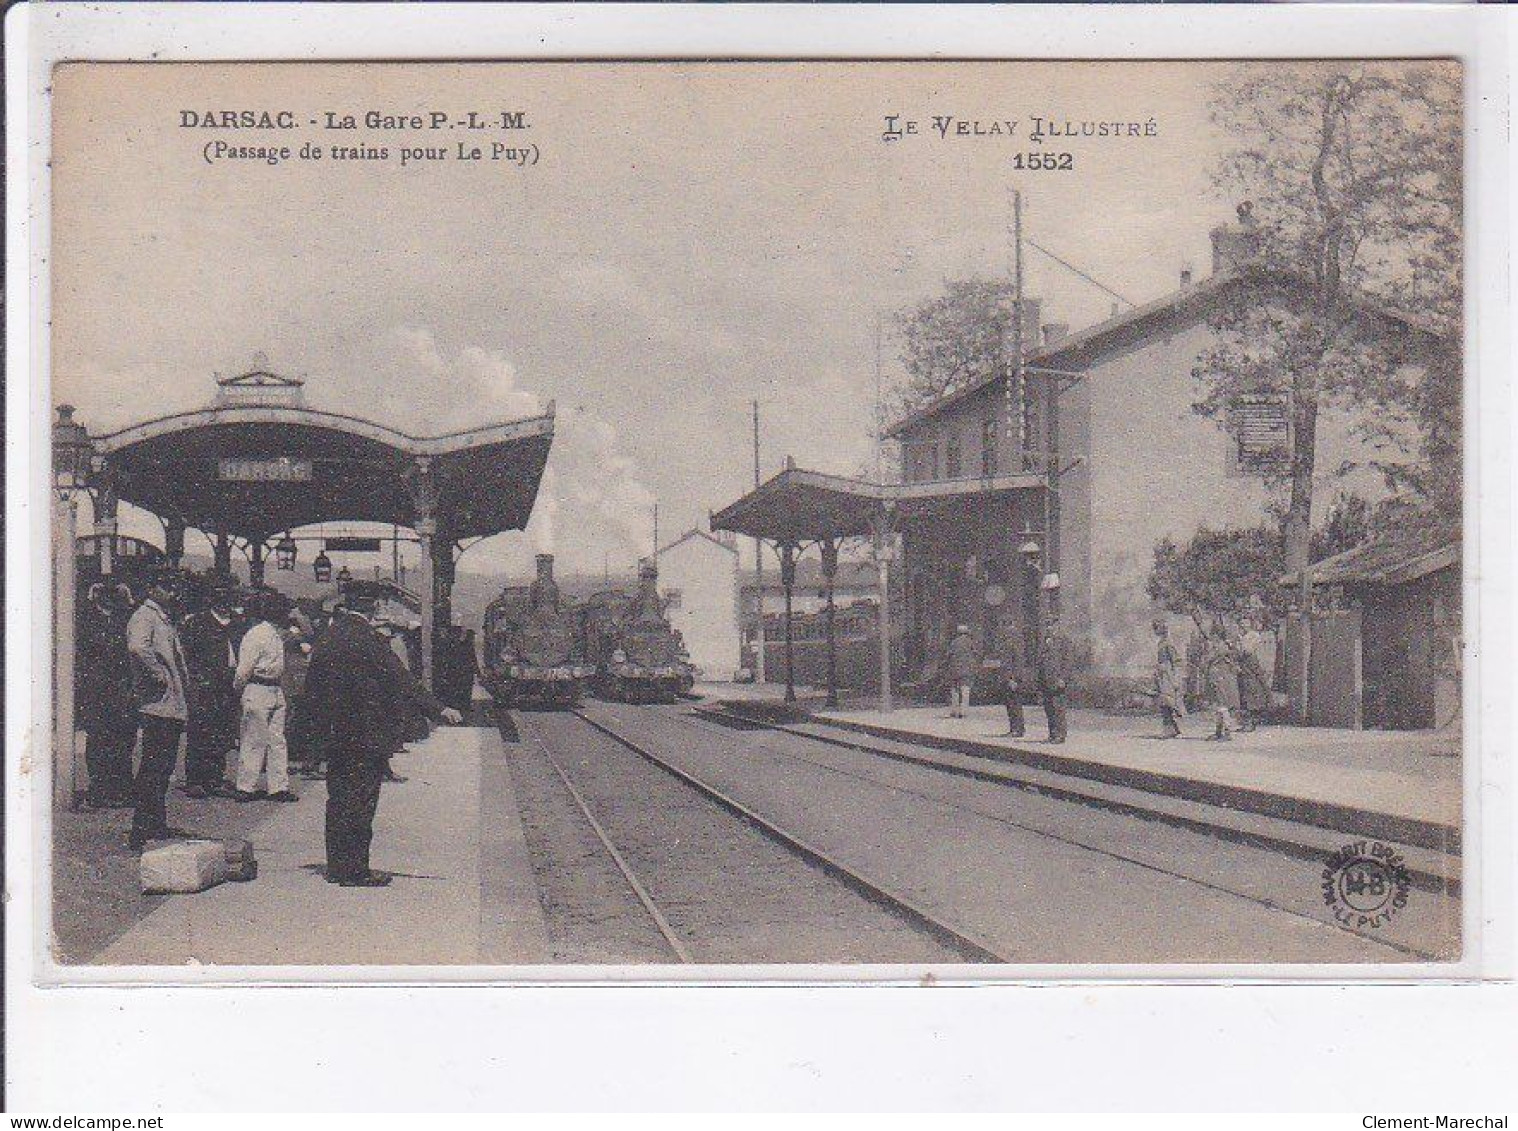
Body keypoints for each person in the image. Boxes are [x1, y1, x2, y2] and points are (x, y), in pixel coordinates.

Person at [303, 585, 462, 888]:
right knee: (362, 800)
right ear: (372, 609)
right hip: (366, 734)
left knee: (337, 798)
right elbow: (402, 681)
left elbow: (312, 689)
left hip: (337, 734)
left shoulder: (328, 638)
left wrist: (315, 732)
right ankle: (356, 871)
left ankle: (337, 867)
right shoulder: (370, 642)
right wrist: (439, 709)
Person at [124, 569, 192, 850]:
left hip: (169, 703)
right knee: (154, 766)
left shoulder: (162, 617)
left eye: (173, 587)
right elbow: (138, 647)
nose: (171, 592)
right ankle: (141, 826)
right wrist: (158, 675)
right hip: (157, 703)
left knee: (163, 767)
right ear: (151, 588)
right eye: (165, 586)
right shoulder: (145, 616)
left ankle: (155, 821)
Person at [232, 590, 296, 802]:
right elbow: (244, 670)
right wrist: (239, 691)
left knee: (277, 740)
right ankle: (246, 786)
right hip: (257, 687)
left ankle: (278, 787)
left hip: (275, 690)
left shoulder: (277, 634)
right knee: (254, 738)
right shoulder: (256, 634)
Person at [179, 583, 240, 798]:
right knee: (200, 730)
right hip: (206, 685)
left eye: (227, 598)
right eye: (220, 598)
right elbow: (187, 654)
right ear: (212, 600)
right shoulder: (198, 623)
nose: (224, 602)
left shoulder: (237, 623)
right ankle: (195, 779)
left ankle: (215, 777)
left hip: (229, 684)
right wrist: (197, 677)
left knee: (222, 731)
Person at [78, 583, 136, 808]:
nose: (108, 599)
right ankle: (99, 788)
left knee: (124, 739)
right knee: (99, 739)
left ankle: (122, 788)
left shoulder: (125, 619)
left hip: (122, 689)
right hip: (97, 690)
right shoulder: (87, 621)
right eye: (103, 594)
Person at [1035, 616, 1075, 744]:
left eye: (1051, 625)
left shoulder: (1064, 641)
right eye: (1047, 625)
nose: (1049, 628)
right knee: (1049, 709)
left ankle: (1060, 735)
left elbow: (1068, 662)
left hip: (1058, 680)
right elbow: (1041, 662)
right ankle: (1052, 734)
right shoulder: (1045, 641)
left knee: (1059, 709)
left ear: (1057, 626)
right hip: (1046, 680)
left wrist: (1063, 678)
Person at [1203, 616, 1242, 741]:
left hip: (1220, 678)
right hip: (1222, 677)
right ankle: (1219, 731)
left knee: (1222, 705)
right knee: (1219, 705)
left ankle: (1226, 732)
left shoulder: (1219, 647)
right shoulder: (1225, 646)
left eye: (1212, 634)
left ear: (1216, 635)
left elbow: (1209, 659)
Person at [1152, 618, 1186, 739]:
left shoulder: (1169, 644)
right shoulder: (1161, 643)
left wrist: (1175, 678)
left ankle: (1175, 729)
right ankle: (1170, 729)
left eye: (1158, 628)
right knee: (1165, 703)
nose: (1156, 630)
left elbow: (1176, 662)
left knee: (1172, 703)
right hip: (1163, 675)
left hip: (1169, 675)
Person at [945, 624, 978, 719]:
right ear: (967, 633)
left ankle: (954, 711)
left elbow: (948, 655)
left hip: (954, 669)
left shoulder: (953, 642)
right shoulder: (970, 642)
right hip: (967, 670)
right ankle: (963, 712)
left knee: (955, 691)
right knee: (965, 690)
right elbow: (975, 653)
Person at [998, 631, 1027, 738]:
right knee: (1010, 705)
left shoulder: (1015, 645)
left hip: (1013, 680)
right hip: (1007, 679)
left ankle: (1018, 729)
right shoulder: (1005, 644)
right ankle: (1013, 728)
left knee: (1015, 704)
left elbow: (1017, 663)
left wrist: (1013, 679)